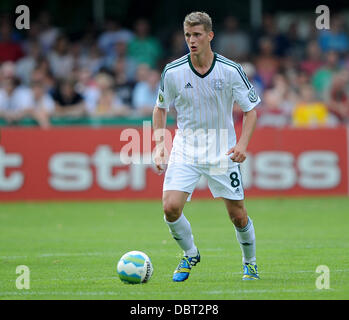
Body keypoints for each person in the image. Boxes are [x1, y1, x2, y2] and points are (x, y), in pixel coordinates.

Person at [152, 12, 261, 282]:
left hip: (221, 150)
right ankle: (190, 253)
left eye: (197, 34)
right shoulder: (173, 72)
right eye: (188, 35)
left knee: (237, 215)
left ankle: (250, 263)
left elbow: (251, 111)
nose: (191, 40)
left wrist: (242, 144)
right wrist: (159, 145)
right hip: (186, 149)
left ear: (210, 36)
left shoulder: (231, 70)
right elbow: (160, 108)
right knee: (170, 208)